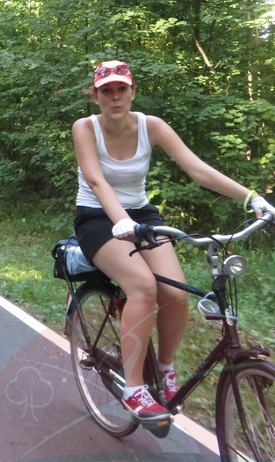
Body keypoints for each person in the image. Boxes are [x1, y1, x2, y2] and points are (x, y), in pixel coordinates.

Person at [72, 59, 273, 420]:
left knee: (176, 293)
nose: (115, 97)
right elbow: (97, 181)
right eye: (107, 90)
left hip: (141, 215)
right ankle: (134, 390)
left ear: (133, 92)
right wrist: (121, 221)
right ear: (96, 96)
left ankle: (164, 371)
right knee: (143, 286)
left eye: (121, 89)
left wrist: (252, 197)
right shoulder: (85, 128)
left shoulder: (152, 126)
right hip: (98, 218)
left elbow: (197, 169)